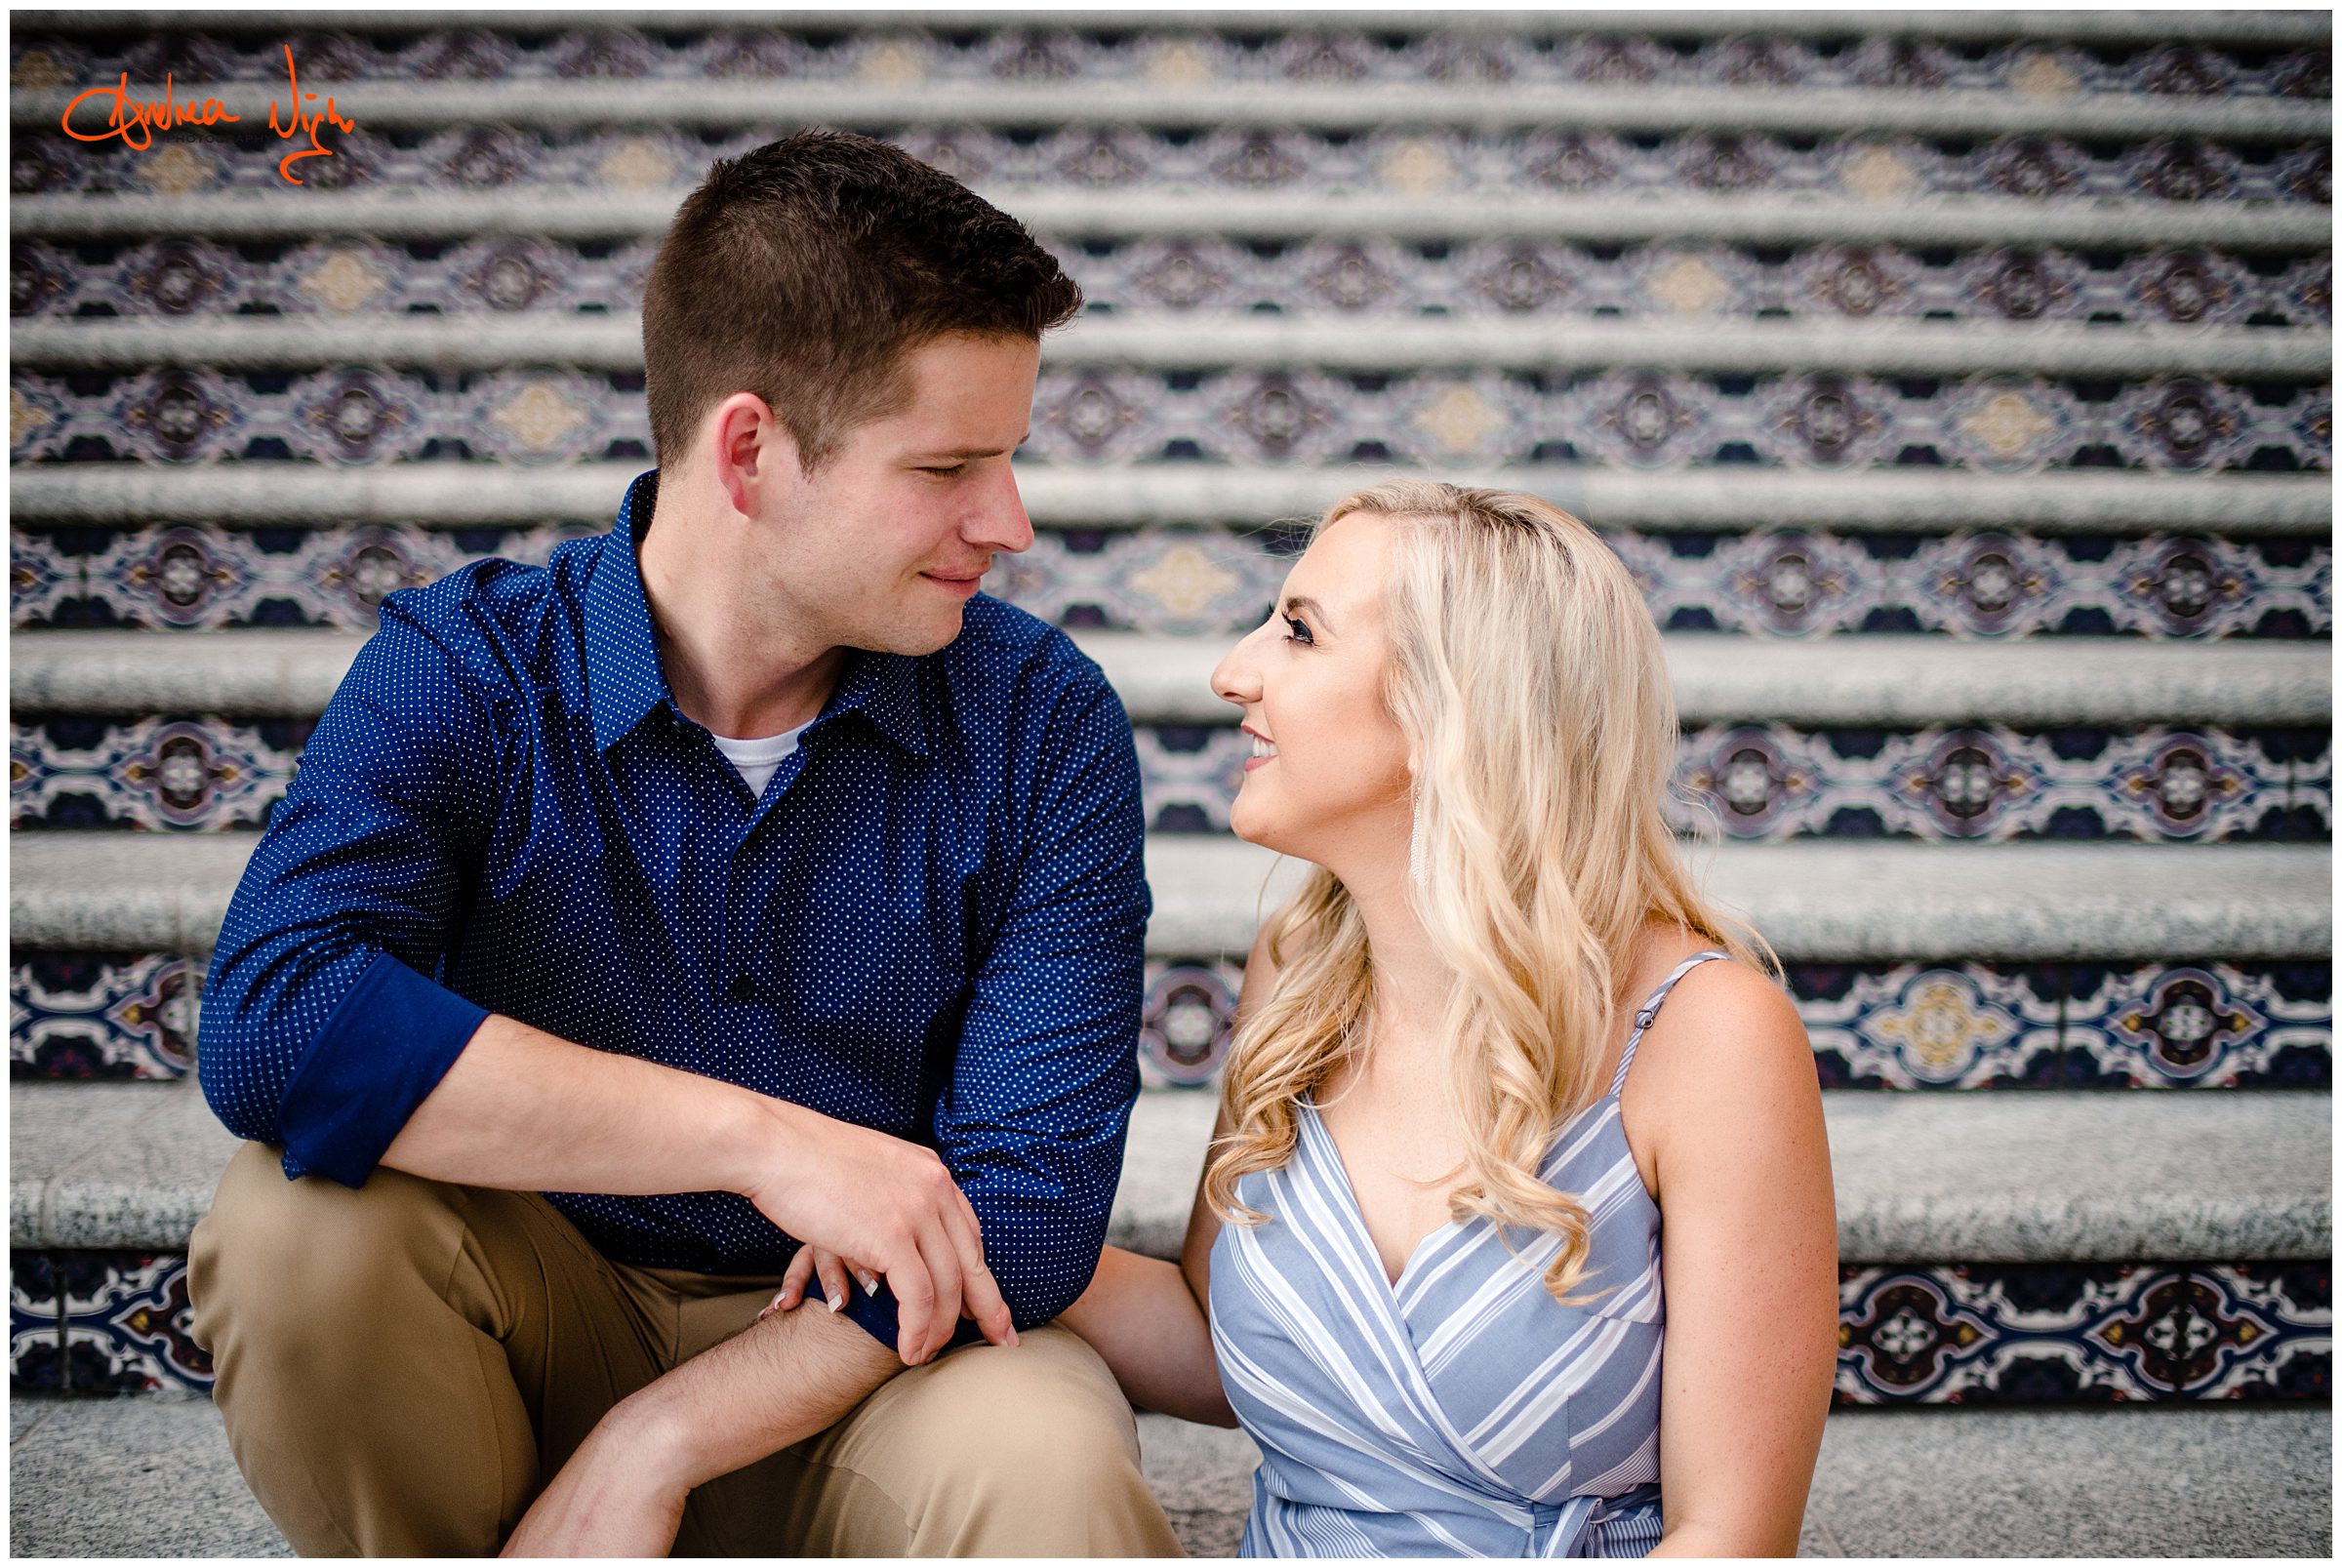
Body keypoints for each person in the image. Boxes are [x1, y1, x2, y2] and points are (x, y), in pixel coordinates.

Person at [185, 129, 1184, 1557]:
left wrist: (657, 1434)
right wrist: (762, 1141)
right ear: (750, 449)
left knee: (1048, 1465)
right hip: (525, 1326)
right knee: (299, 1229)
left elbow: (1025, 1208)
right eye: (951, 464)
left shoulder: (1040, 717)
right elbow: (278, 1023)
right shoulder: (465, 670)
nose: (1007, 521)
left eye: (1009, 460)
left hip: (874, 1358)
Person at [787, 479, 1839, 1553]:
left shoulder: (1710, 1037)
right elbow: (1216, 1338)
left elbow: (1731, 1535)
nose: (1233, 671)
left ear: (1452, 711)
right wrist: (944, 1207)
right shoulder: (1301, 970)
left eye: (1298, 631)